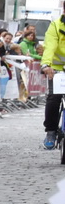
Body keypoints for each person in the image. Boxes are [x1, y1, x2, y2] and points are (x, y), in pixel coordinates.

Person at [42, 9, 65, 148]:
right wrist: (46, 64)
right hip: (55, 68)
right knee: (53, 98)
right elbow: (50, 46)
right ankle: (50, 131)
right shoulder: (56, 26)